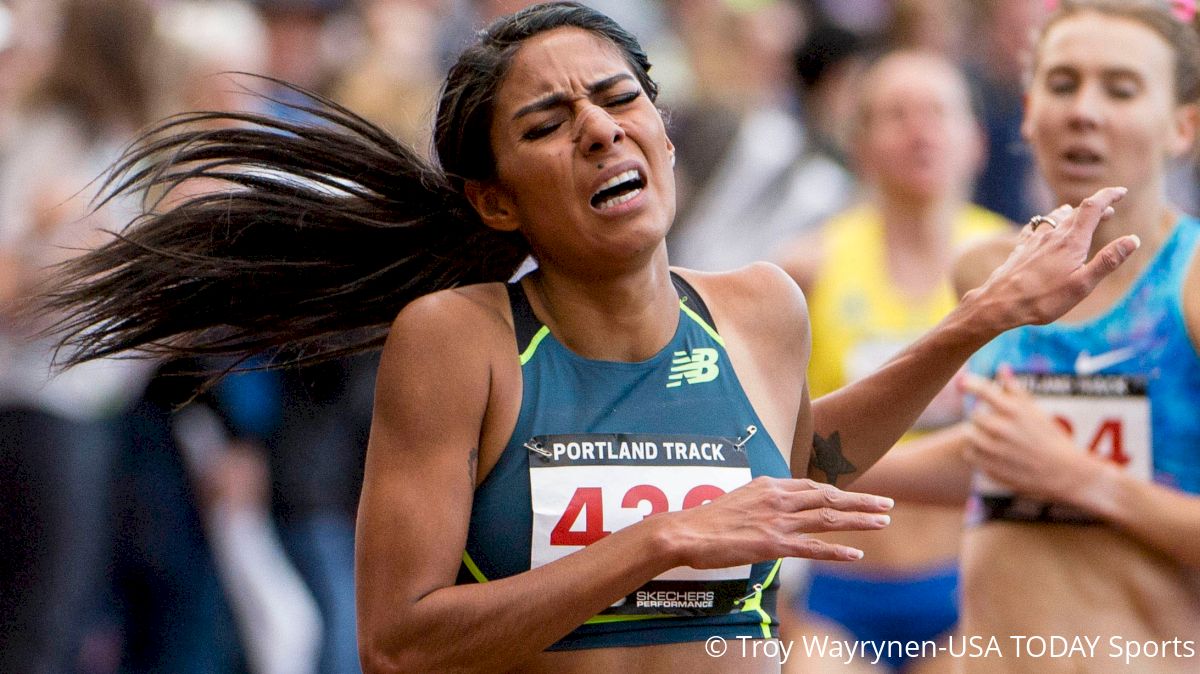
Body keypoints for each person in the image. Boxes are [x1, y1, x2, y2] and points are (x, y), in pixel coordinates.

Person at [39, 3, 1138, 672]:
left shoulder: (760, 303)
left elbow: (795, 461)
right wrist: (656, 542)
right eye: (547, 123)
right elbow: (398, 641)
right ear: (497, 199)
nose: (601, 127)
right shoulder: (458, 338)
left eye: (619, 98)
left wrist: (978, 322)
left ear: (661, 127)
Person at [852, 1, 1200, 671]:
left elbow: (1047, 462)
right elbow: (1003, 458)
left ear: (1182, 126)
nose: (1083, 111)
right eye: (1063, 84)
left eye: (1121, 89)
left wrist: (1081, 477)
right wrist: (815, 458)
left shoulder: (1190, 282)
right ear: (1027, 109)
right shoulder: (987, 270)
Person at [775, 50, 1010, 674]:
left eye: (938, 111)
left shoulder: (1019, 270)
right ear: (859, 146)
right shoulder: (804, 272)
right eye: (895, 114)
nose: (919, 130)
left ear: (977, 141)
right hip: (835, 597)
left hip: (968, 592)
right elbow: (764, 441)